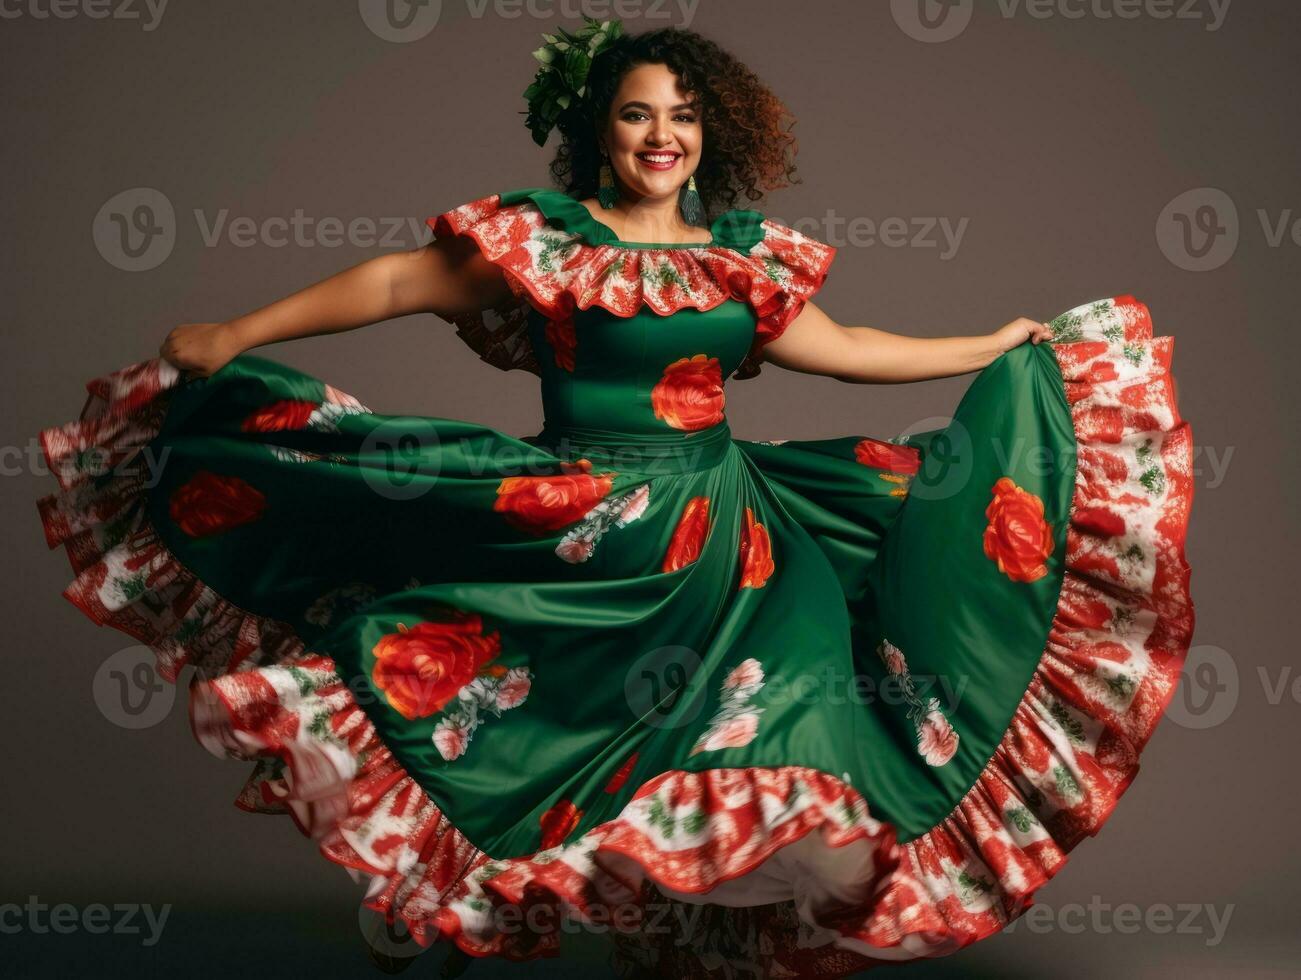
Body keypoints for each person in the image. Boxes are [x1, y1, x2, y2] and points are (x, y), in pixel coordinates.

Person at [35, 18, 1195, 980]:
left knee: (782, 719)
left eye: (683, 116)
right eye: (639, 112)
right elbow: (396, 279)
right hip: (584, 526)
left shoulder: (740, 262)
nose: (662, 135)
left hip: (733, 539)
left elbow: (842, 349)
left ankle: (724, 935)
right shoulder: (547, 244)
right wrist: (238, 330)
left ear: (711, 133)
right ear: (598, 125)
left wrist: (980, 341)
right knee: (524, 726)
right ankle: (484, 904)